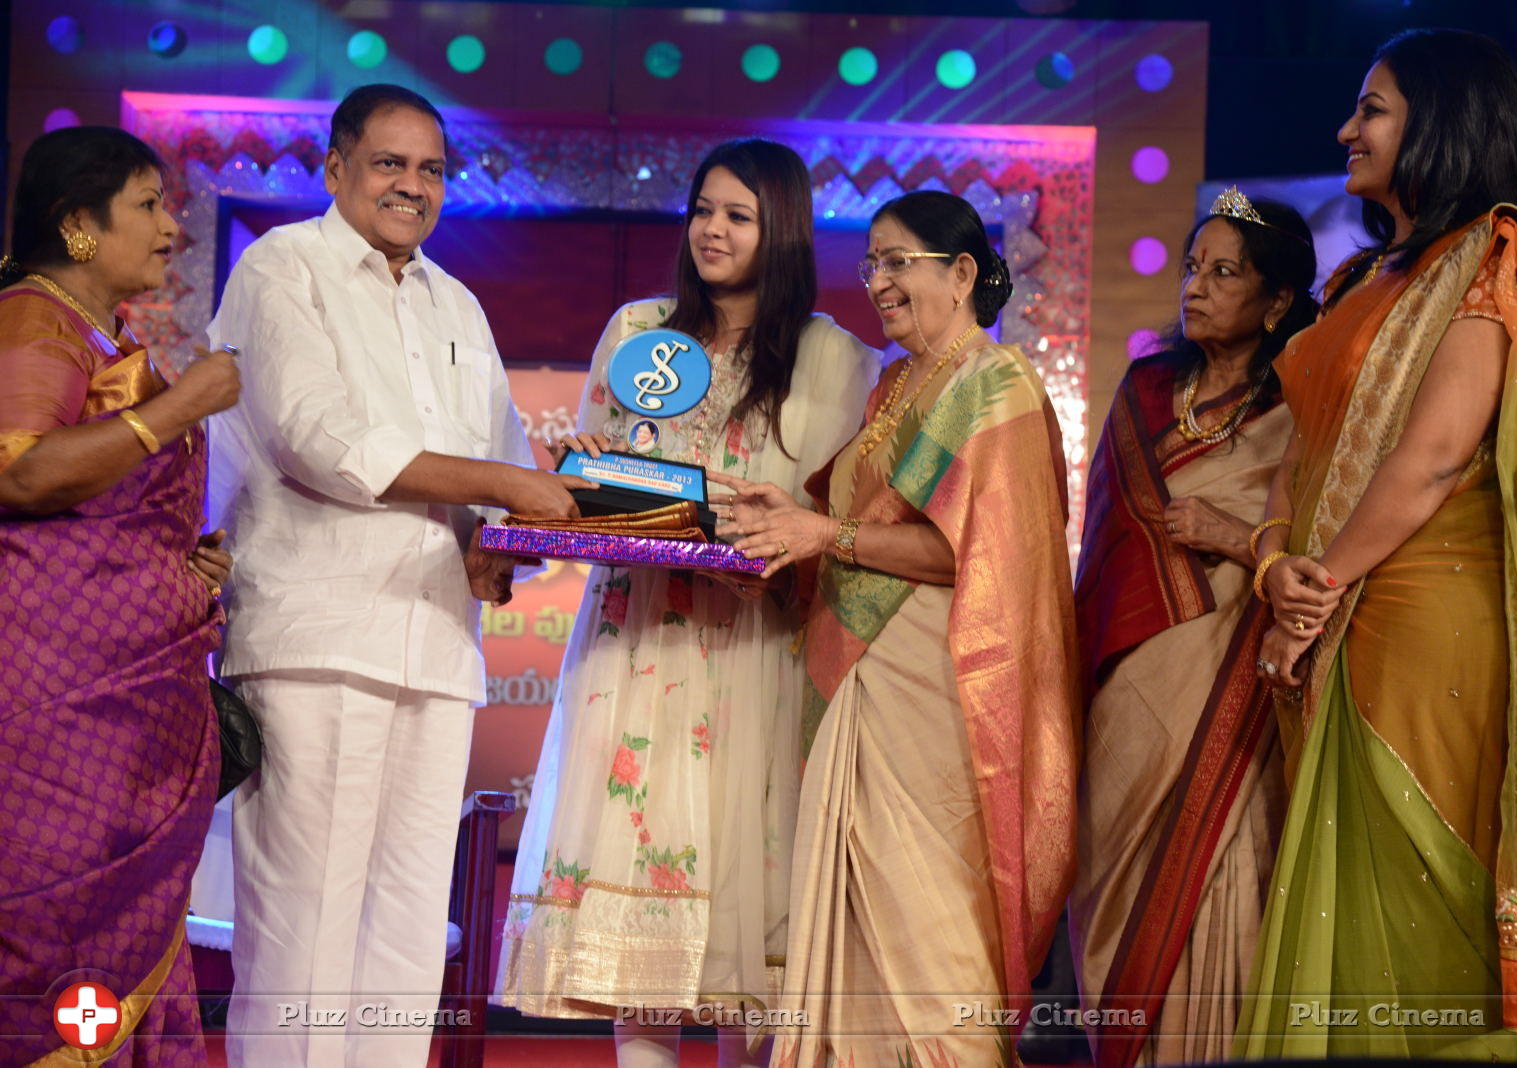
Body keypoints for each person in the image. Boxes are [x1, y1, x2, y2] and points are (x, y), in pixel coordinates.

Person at [207, 84, 585, 1067]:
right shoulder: (283, 267)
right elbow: (317, 440)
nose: (410, 186)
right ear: (335, 169)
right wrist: (507, 485)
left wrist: (505, 538)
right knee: (304, 929)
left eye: (430, 169)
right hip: (316, 641)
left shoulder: (454, 301)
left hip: (436, 644)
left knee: (411, 937)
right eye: (388, 163)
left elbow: (502, 464)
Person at [1238, 29, 1517, 1060]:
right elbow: (1296, 453)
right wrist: (1276, 564)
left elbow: (1438, 454)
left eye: (1373, 108)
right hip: (1326, 600)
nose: (1347, 128)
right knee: (1332, 872)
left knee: (1418, 864)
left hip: (1425, 613)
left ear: (1439, 120)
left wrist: (1315, 588)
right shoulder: (1361, 274)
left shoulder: (1492, 250)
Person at [492, 139, 878, 1068]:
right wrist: (597, 473)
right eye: (703, 209)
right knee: (639, 914)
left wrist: (712, 505)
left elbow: (815, 515)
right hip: (640, 645)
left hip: (758, 646)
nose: (711, 229)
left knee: (750, 924)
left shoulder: (833, 356)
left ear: (780, 229)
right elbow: (595, 480)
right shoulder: (638, 330)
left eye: (737, 215)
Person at [713, 189, 1080, 1065]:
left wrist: (825, 534)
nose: (876, 281)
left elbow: (986, 557)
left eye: (897, 262)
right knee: (848, 915)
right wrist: (790, 517)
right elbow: (850, 523)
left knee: (928, 909)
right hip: (854, 672)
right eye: (870, 262)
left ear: (960, 273)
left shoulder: (999, 385)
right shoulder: (892, 385)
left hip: (935, 682)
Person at [0, 126, 240, 1065]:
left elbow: (95, 499)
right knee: (54, 931)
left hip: (120, 695)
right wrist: (183, 406)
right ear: (80, 226)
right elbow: (18, 475)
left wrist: (174, 550)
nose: (171, 227)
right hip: (56, 705)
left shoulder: (95, 332)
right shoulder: (33, 320)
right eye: (147, 204)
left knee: (119, 935)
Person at [1068, 191, 1317, 1065]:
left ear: (1278, 301)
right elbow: (1100, 545)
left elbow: (1321, 548)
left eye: (1224, 273)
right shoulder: (1143, 391)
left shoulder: (1301, 408)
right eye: (1191, 269)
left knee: (1217, 875)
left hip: (1233, 682)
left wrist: (1239, 537)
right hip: (1125, 687)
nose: (1197, 288)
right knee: (1113, 881)